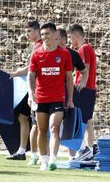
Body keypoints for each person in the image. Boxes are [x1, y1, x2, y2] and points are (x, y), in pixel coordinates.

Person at [28, 22, 74, 171]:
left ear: (55, 35)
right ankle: (43, 159)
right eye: (42, 35)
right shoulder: (36, 54)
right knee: (41, 130)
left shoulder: (64, 54)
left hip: (57, 98)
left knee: (54, 127)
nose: (44, 37)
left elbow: (69, 78)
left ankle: (53, 159)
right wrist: (31, 93)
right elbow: (31, 76)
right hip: (40, 98)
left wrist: (70, 99)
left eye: (47, 34)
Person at [8, 20, 42, 163]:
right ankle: (23, 151)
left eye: (29, 31)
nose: (26, 34)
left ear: (36, 31)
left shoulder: (40, 46)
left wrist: (16, 73)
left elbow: (31, 69)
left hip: (37, 89)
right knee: (23, 117)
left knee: (39, 122)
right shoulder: (36, 45)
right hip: (31, 88)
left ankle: (40, 154)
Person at [57, 28, 89, 160]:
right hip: (52, 90)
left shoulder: (73, 55)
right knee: (54, 124)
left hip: (67, 91)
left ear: (64, 39)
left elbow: (84, 71)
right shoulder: (50, 52)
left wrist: (82, 83)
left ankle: (74, 154)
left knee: (68, 123)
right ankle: (46, 157)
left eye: (56, 37)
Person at [68, 24, 97, 161]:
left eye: (70, 37)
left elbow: (85, 68)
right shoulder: (88, 48)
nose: (70, 40)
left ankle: (87, 149)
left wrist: (81, 84)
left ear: (76, 35)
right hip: (88, 88)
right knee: (87, 120)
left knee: (83, 121)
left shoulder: (84, 49)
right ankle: (88, 149)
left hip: (84, 88)